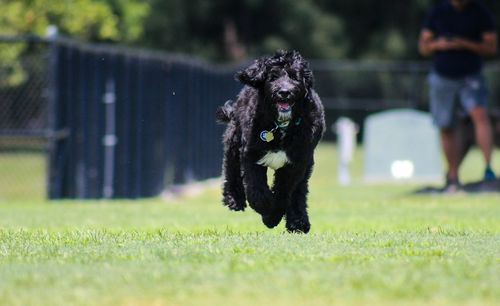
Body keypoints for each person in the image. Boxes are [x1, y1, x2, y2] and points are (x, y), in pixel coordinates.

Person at [419, 0, 498, 191]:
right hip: (442, 76)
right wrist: (439, 45)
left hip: (470, 76)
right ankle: (452, 176)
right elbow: (424, 47)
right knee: (445, 125)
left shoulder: (480, 12)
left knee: (480, 115)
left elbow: (491, 47)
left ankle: (488, 169)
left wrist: (463, 44)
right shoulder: (438, 12)